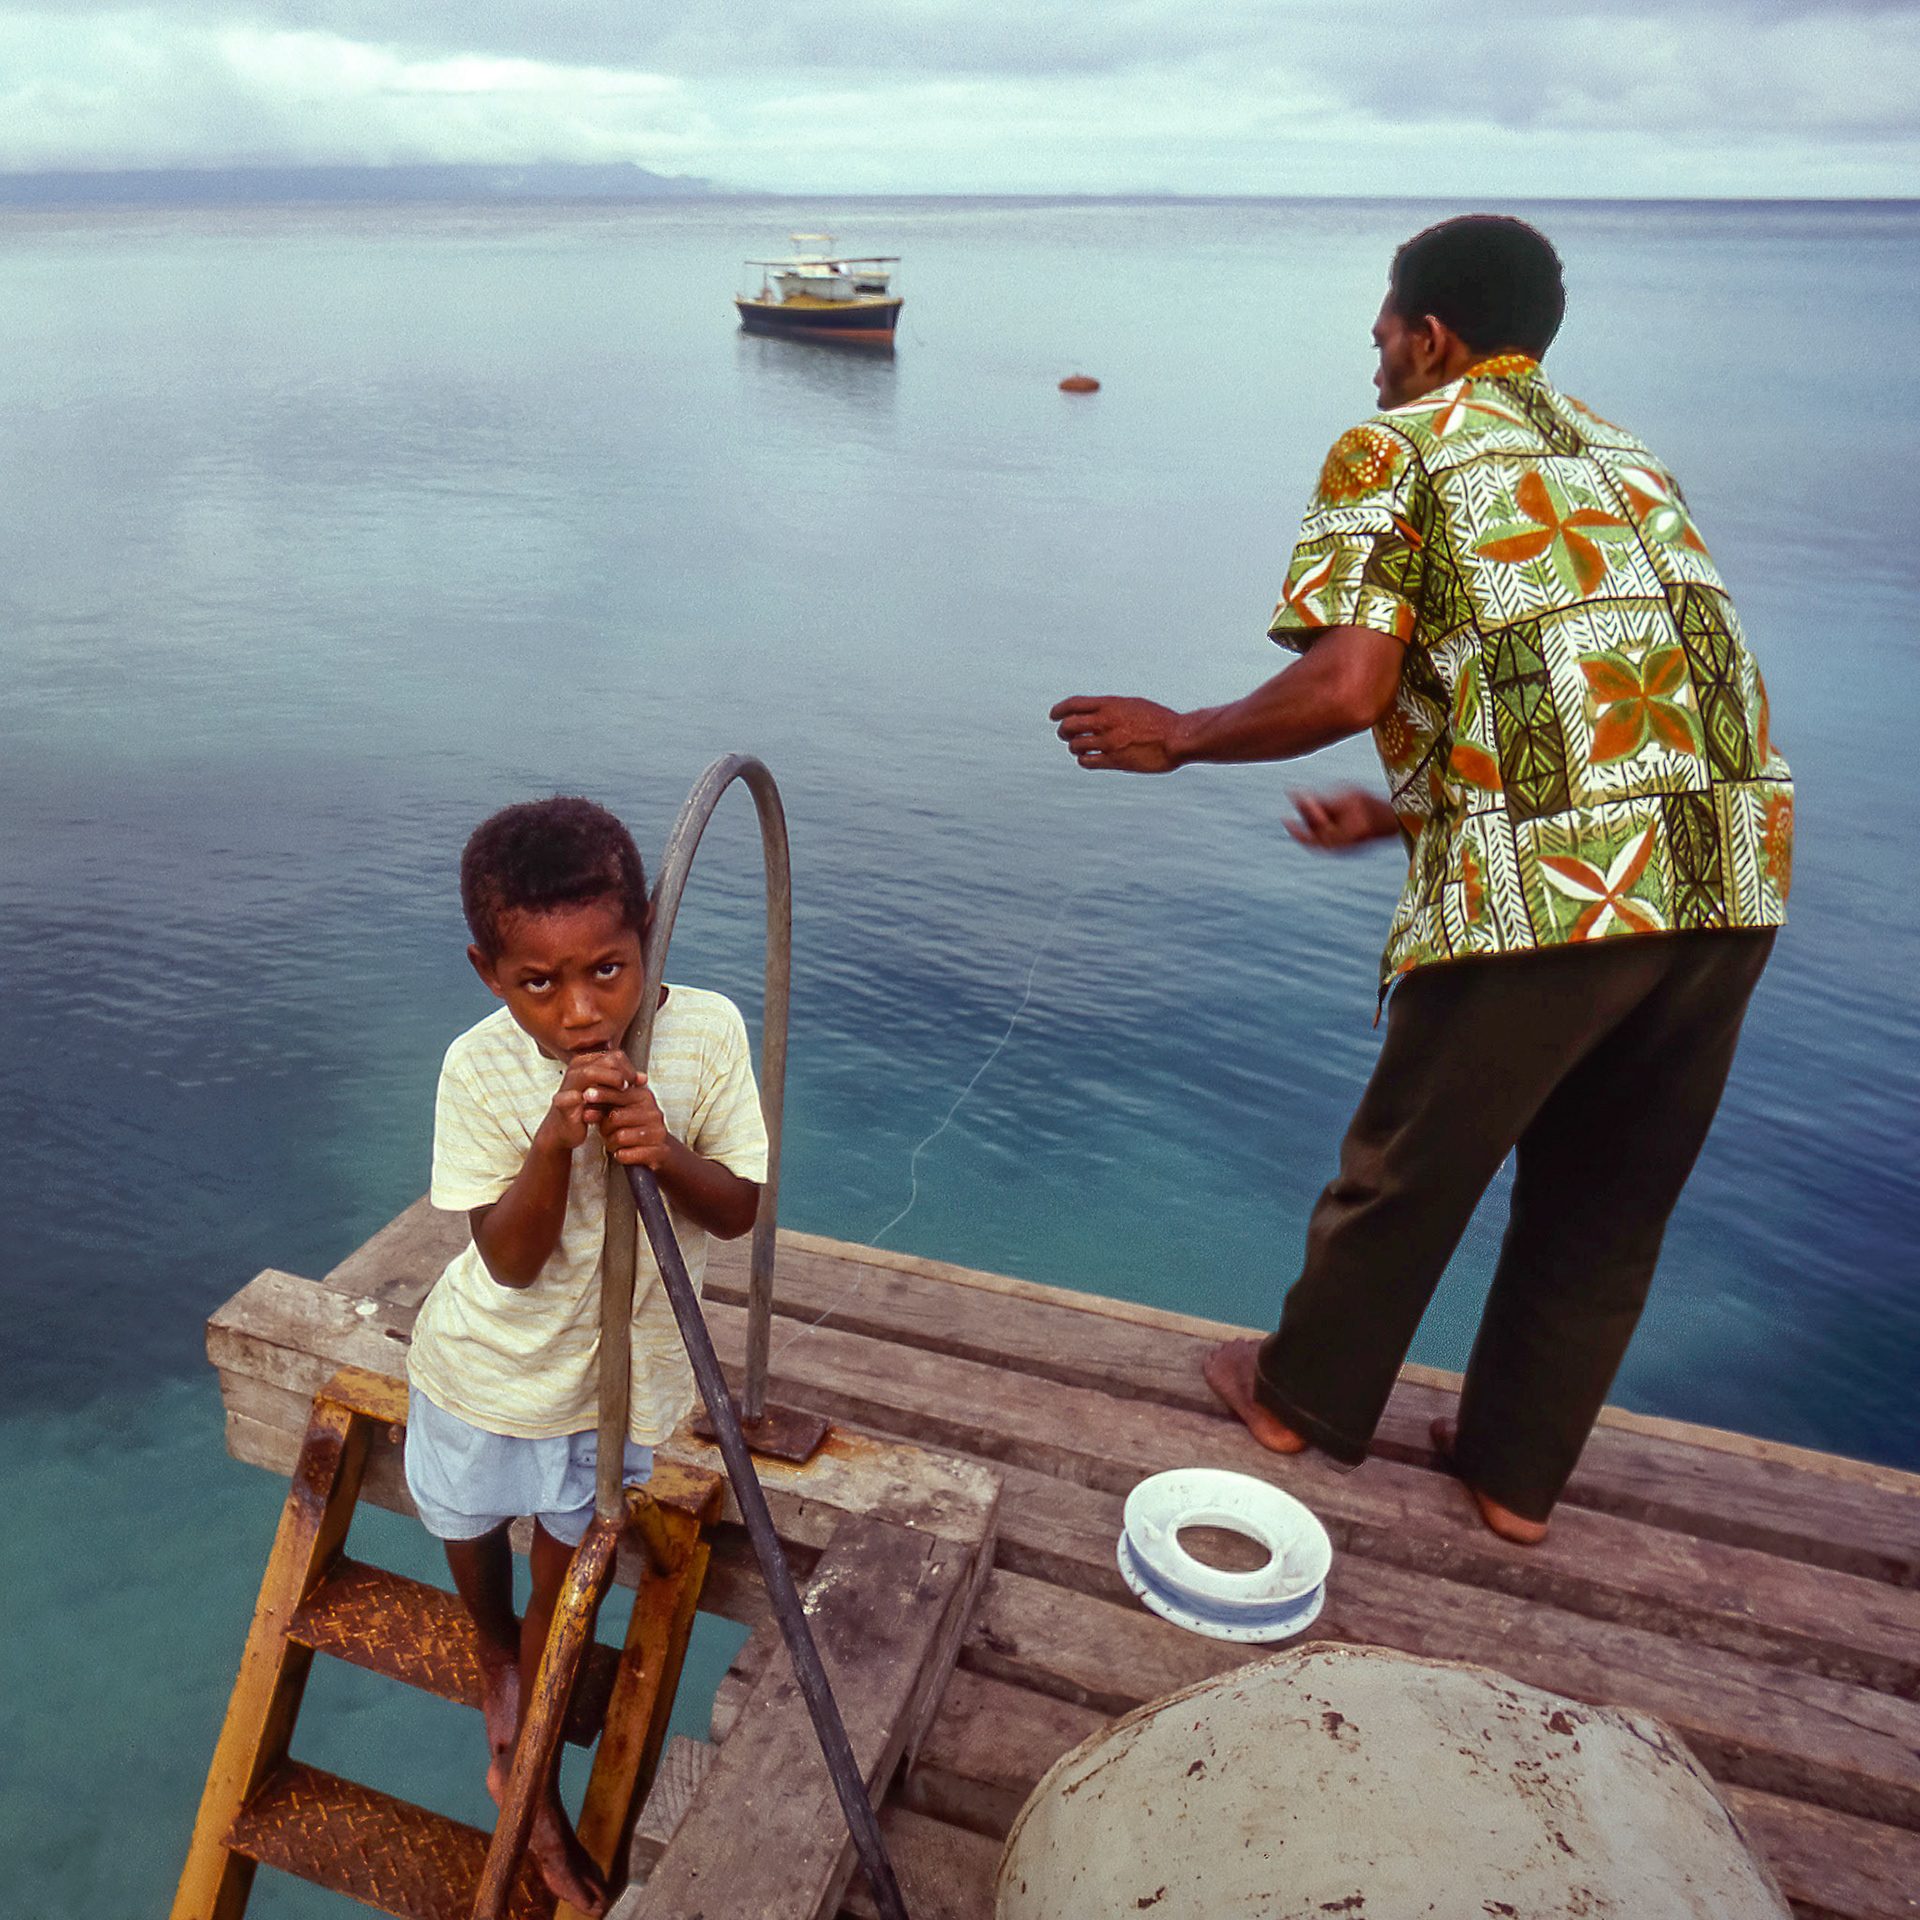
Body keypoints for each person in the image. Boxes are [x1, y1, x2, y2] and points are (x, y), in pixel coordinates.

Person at [1051, 215, 1791, 1548]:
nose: (1375, 361)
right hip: (1729, 874)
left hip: (1555, 893)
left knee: (1407, 1164)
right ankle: (1513, 1475)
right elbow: (1608, 705)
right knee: (1609, 1205)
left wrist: (1184, 734)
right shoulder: (1624, 455)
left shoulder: (1400, 445)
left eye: (1382, 334)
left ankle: (1296, 1398)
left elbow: (1348, 683)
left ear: (1431, 335)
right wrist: (1405, 820)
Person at [403, 796, 767, 1913]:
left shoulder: (704, 1035)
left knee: (577, 1536)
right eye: (538, 984)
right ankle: (496, 1659)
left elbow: (740, 1207)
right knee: (472, 1524)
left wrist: (666, 1152)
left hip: (616, 1387)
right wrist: (557, 1141)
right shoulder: (479, 1070)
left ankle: (538, 1709)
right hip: (489, 1368)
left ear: (651, 932)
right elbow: (508, 1259)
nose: (577, 1011)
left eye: (607, 972)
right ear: (486, 972)